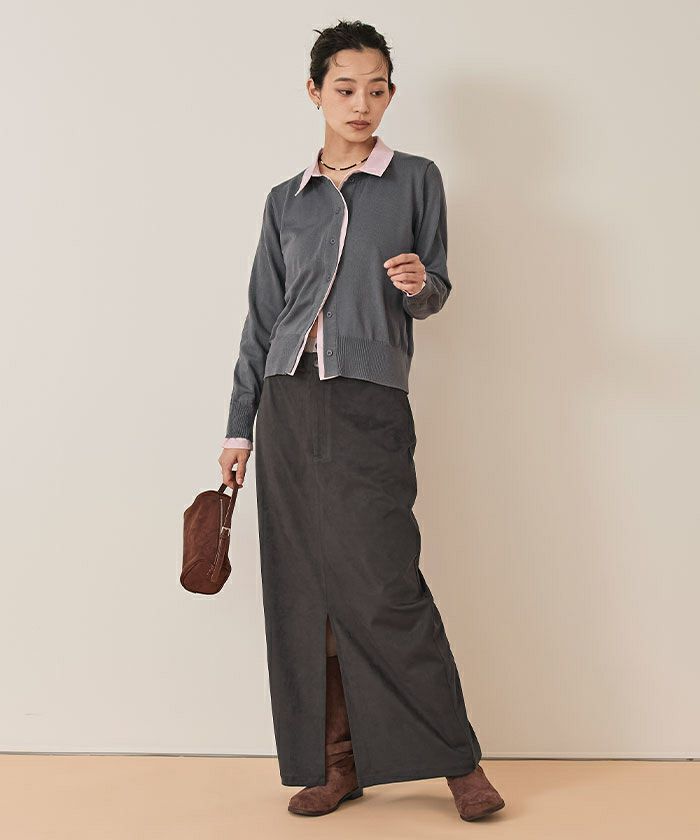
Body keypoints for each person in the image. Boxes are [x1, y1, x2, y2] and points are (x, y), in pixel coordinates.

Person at [218, 19, 505, 822]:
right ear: (315, 92)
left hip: (369, 401)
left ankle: (457, 762)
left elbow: (434, 289)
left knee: (386, 585)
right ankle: (335, 761)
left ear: (389, 95)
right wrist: (238, 428)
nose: (361, 103)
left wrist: (418, 284)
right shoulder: (286, 201)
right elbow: (262, 319)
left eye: (376, 89)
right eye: (345, 88)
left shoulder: (415, 179)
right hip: (287, 404)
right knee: (304, 591)